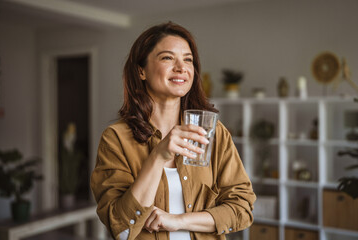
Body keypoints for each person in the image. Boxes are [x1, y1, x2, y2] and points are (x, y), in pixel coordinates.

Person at [90, 22, 256, 240]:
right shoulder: (116, 139)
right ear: (141, 70)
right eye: (167, 58)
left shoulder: (214, 133)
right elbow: (121, 229)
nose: (181, 67)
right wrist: (158, 156)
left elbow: (242, 209)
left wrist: (178, 221)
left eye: (188, 59)